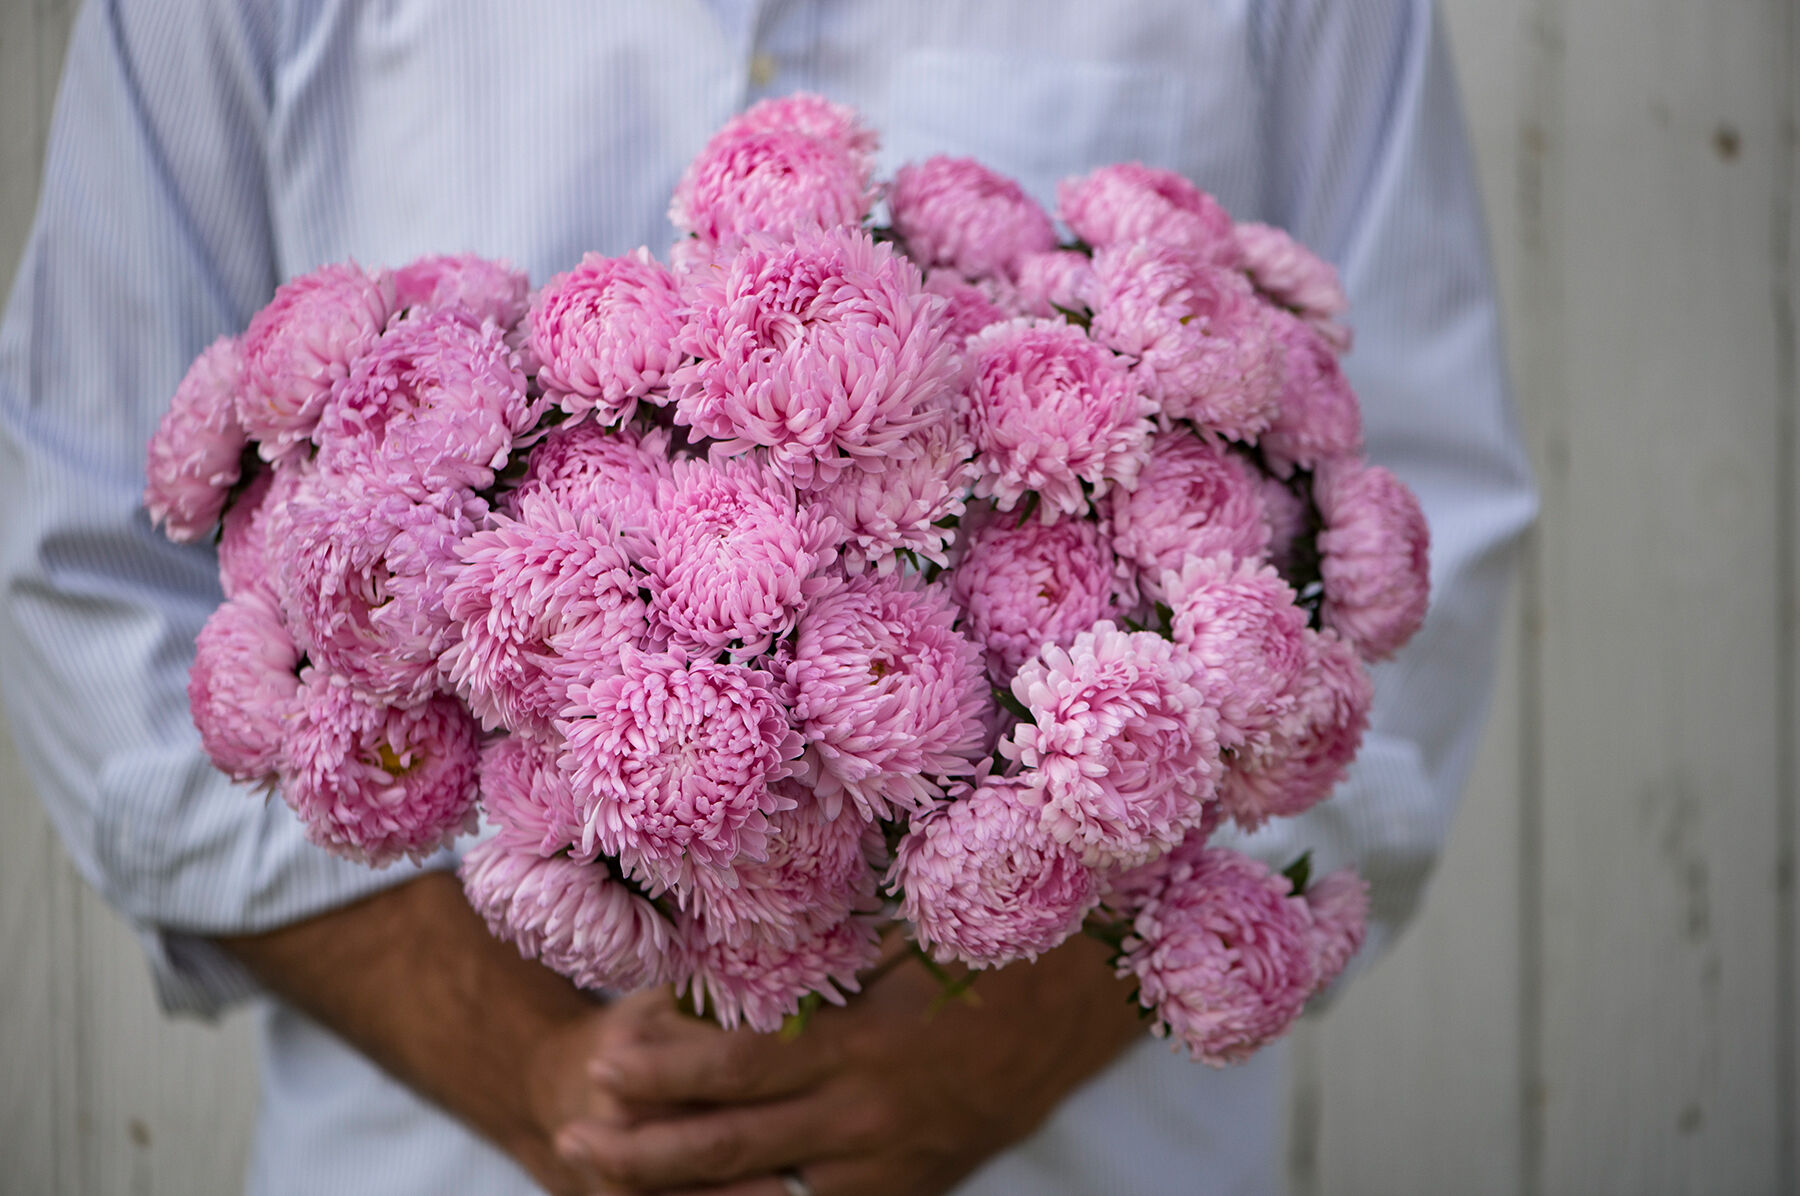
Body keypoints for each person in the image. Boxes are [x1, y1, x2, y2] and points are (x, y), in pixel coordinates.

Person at [0, 1, 1536, 1193]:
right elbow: (77, 530)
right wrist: (500, 1040)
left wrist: (1053, 1006)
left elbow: (1422, 510)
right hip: (435, 1149)